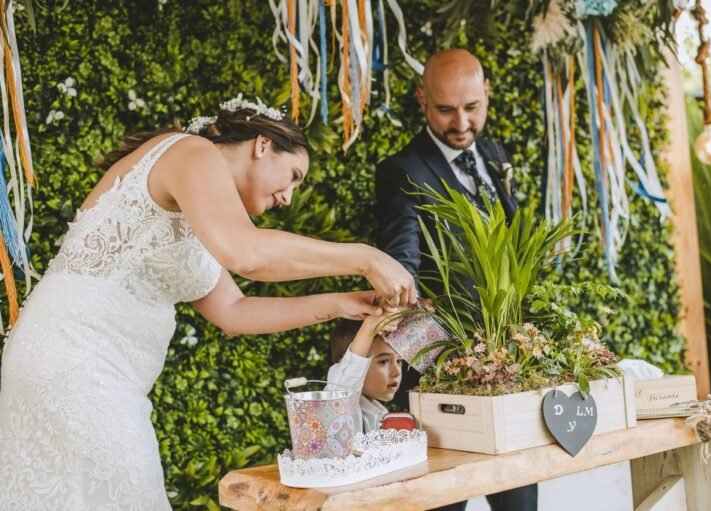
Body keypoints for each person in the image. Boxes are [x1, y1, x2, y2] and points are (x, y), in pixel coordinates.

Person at [0, 94, 417, 510]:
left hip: (101, 373)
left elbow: (233, 311)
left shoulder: (207, 214)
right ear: (262, 145)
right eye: (292, 176)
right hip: (73, 359)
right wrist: (366, 257)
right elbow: (248, 255)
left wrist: (343, 302)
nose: (288, 197)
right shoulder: (191, 154)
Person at [375, 50, 537, 511]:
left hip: (512, 375)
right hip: (443, 381)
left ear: (487, 93)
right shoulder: (401, 171)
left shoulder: (494, 153)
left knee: (522, 501)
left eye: (472, 107)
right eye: (446, 110)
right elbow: (399, 268)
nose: (462, 123)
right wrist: (445, 365)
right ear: (423, 100)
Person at [327, 314, 403, 433]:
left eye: (399, 361)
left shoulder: (380, 415)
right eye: (384, 361)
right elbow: (349, 374)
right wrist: (369, 326)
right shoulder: (337, 401)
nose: (397, 372)